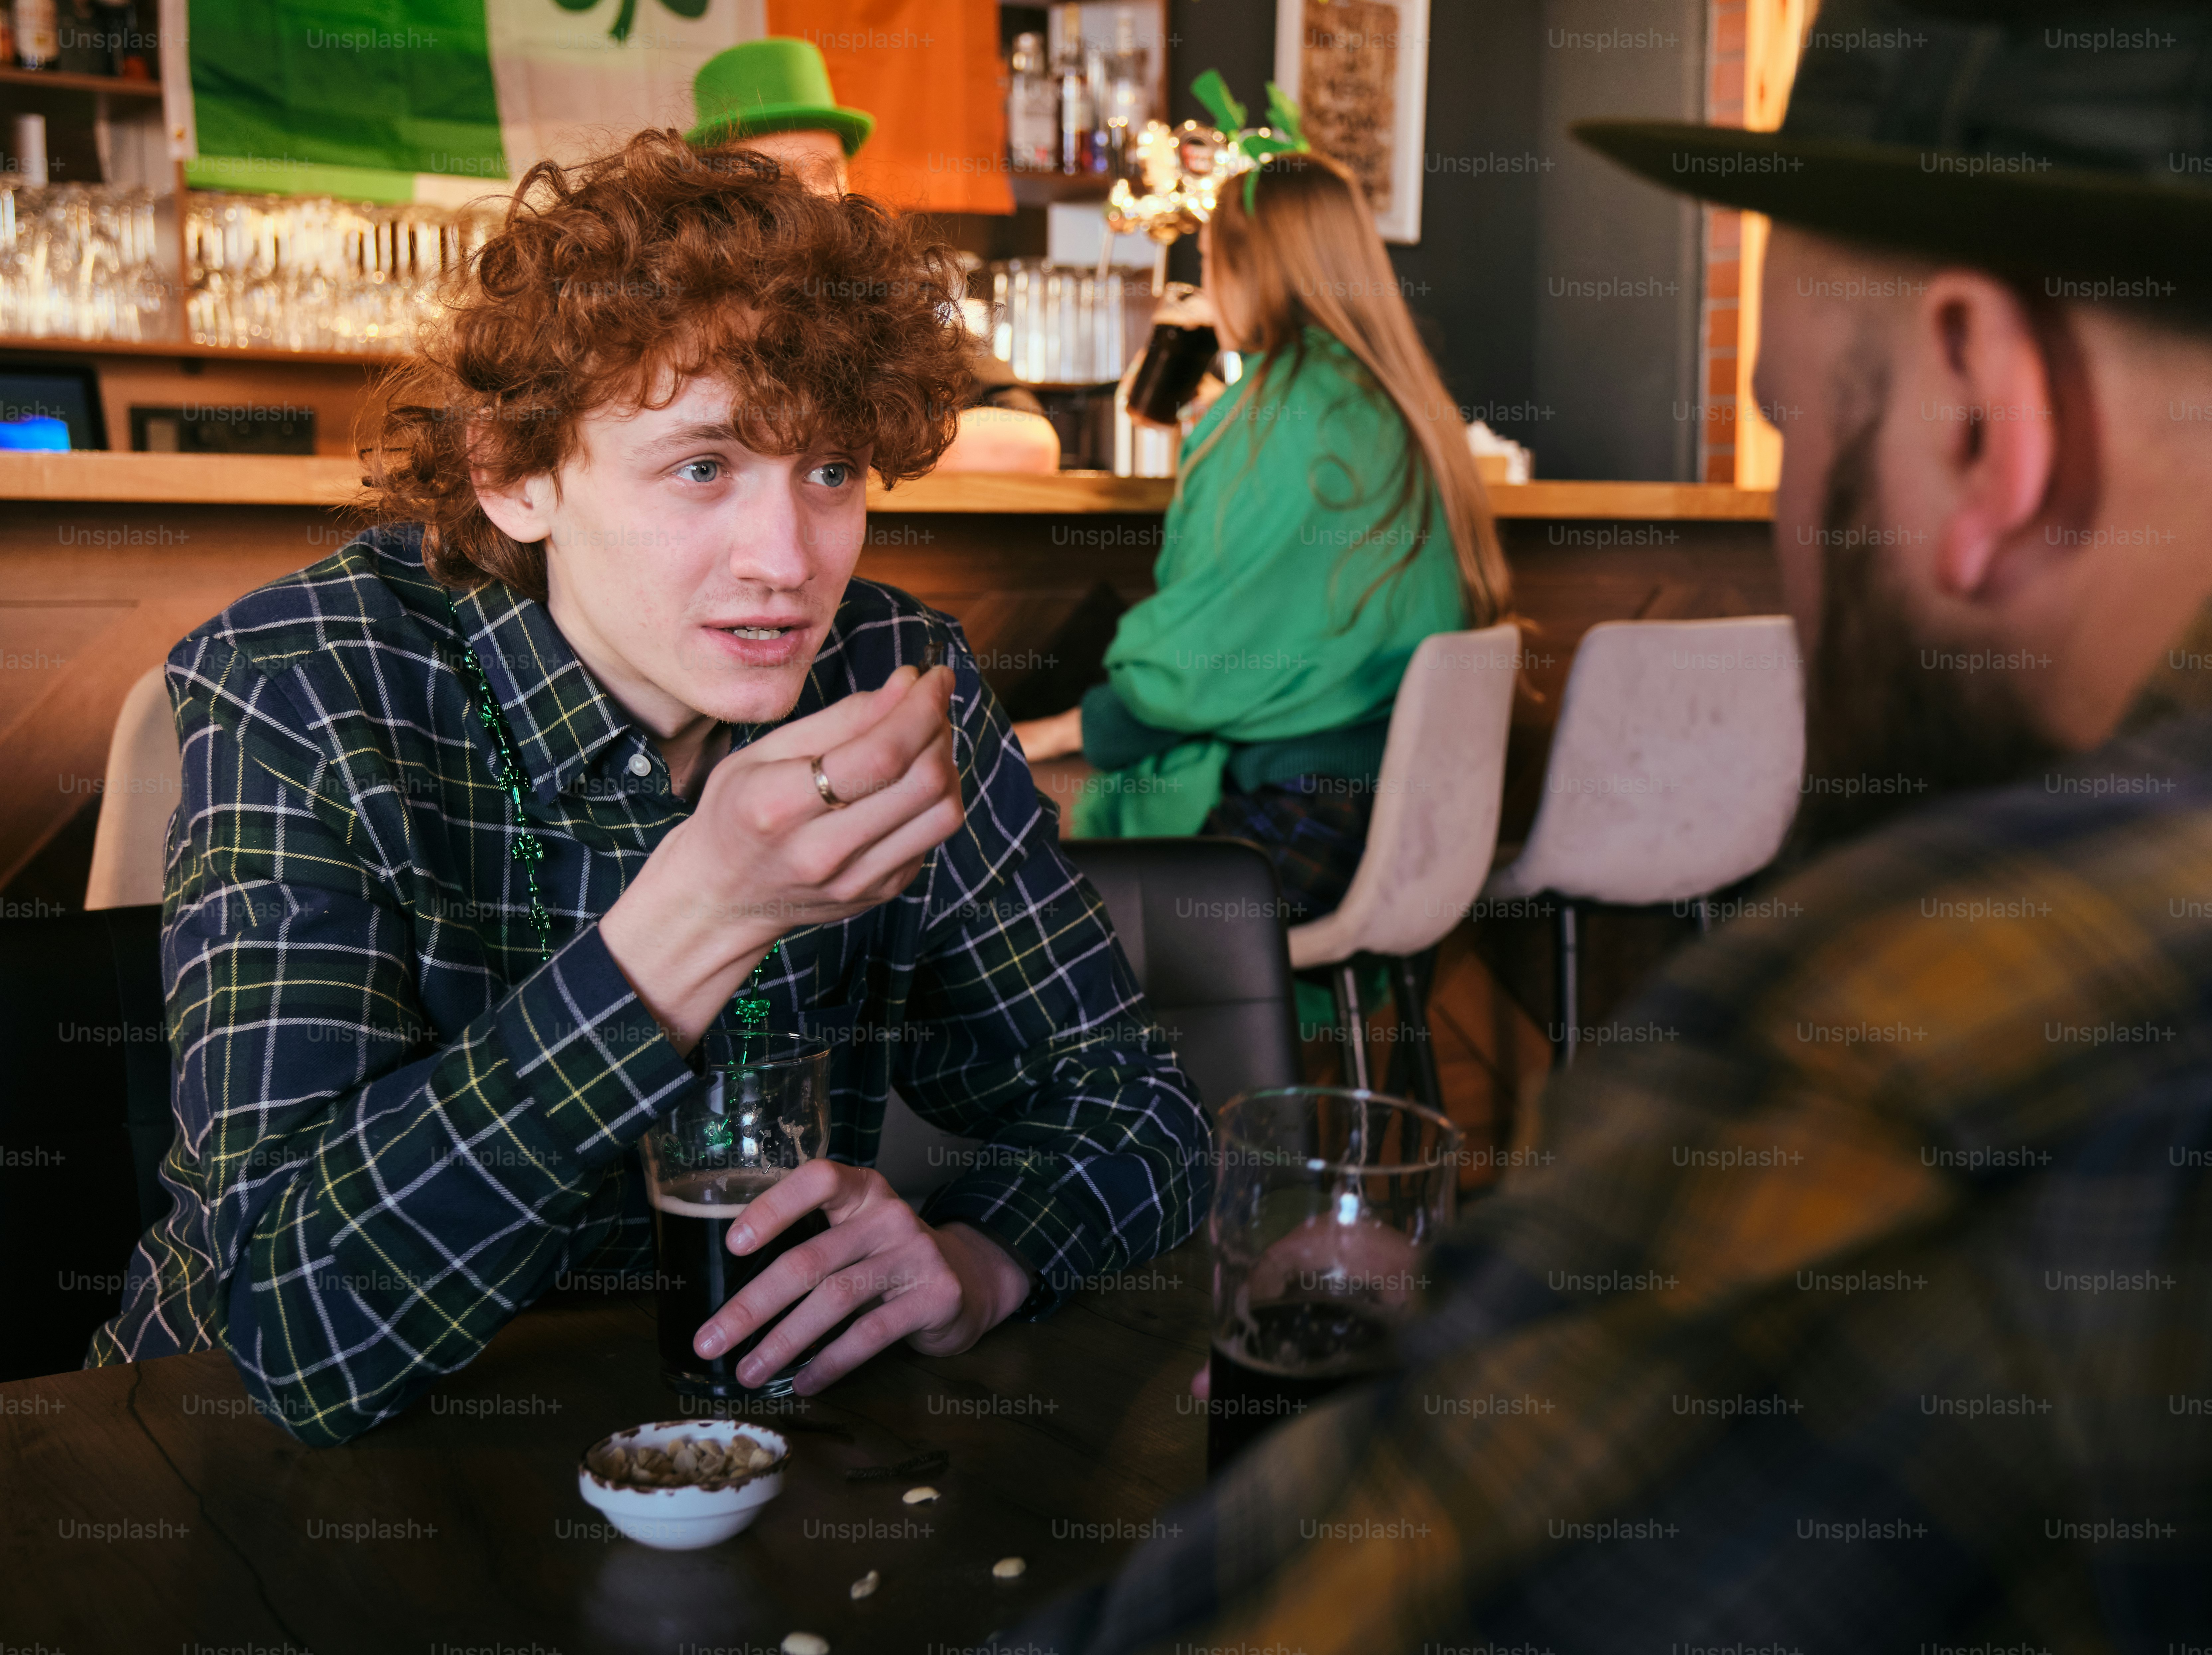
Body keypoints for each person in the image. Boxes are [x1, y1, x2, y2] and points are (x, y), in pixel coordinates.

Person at [1001, 1, 2212, 1648]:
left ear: (1980, 417)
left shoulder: (1965, 1045)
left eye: (1793, 428)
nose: (1786, 518)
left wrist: (1505, 1384)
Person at [86, 132, 1208, 1444]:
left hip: (713, 1446)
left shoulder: (888, 675)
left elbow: (1137, 1107)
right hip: (241, 1463)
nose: (787, 559)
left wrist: (979, 1261)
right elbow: (294, 1331)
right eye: (703, 467)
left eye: (830, 471)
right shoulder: (307, 687)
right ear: (514, 474)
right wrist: (698, 916)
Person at [1013, 149, 1509, 919]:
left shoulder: (1274, 411)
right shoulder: (1401, 398)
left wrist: (1050, 733)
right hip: (1405, 820)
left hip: (1289, 829)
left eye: (1210, 263)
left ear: (1254, 268)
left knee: (992, 808)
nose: (1206, 290)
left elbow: (1191, 669)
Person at [687, 37, 1061, 475]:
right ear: (715, 196)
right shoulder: (673, 321)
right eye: (776, 177)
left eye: (825, 172)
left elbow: (1030, 444)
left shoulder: (895, 308)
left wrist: (857, 456)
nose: (809, 196)